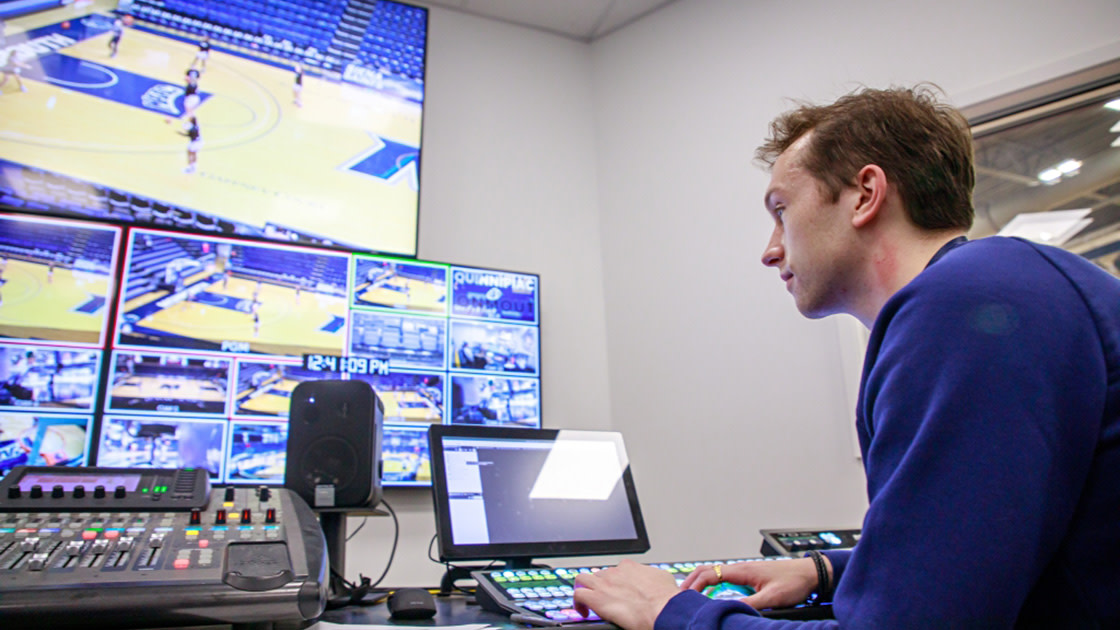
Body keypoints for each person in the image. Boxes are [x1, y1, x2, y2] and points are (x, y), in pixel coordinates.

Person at [571, 85, 1120, 628]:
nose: (770, 250)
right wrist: (826, 571)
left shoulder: (967, 307)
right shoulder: (1010, 286)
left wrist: (670, 612)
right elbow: (992, 548)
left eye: (782, 210)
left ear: (865, 194)